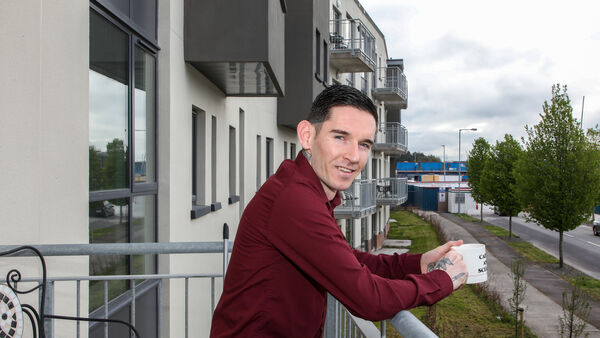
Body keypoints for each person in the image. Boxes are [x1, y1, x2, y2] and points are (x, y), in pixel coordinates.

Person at [210, 84, 467, 337]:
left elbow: (350, 262)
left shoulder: (307, 192)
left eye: (364, 144)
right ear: (307, 136)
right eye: (340, 137)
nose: (354, 156)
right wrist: (441, 280)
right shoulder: (294, 200)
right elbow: (368, 299)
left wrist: (418, 263)